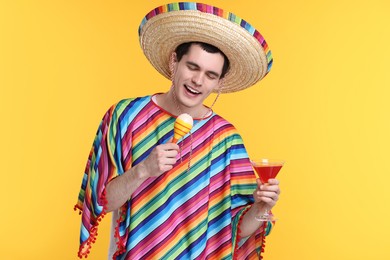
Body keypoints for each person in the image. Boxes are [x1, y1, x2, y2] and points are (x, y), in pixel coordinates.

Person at [74, 2, 281, 259]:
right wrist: (143, 170)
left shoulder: (226, 138)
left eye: (210, 75)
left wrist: (260, 207)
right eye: (192, 67)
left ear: (219, 82)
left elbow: (237, 232)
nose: (198, 80)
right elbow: (101, 200)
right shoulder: (125, 117)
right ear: (175, 61)